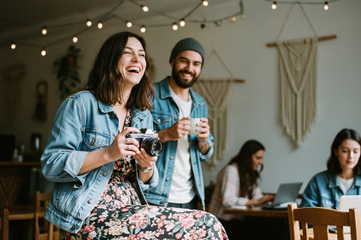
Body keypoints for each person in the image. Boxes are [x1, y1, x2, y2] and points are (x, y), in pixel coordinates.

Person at [41, 31, 228, 239]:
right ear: (111, 60)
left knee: (209, 224)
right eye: (128, 53)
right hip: (90, 213)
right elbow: (51, 164)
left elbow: (148, 179)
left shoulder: (141, 115)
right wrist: (108, 153)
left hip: (133, 209)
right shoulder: (81, 104)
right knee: (206, 225)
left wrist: (147, 165)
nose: (137, 59)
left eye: (141, 55)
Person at [145, 37, 214, 210]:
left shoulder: (200, 103)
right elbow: (132, 142)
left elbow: (205, 153)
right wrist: (166, 134)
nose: (189, 68)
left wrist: (204, 141)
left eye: (196, 64)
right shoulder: (149, 94)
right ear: (172, 61)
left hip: (190, 197)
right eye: (184, 61)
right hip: (154, 195)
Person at [300, 128, 361, 209]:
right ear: (336, 151)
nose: (351, 156)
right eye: (345, 151)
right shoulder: (318, 182)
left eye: (355, 151)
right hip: (328, 227)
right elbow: (305, 218)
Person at [208, 139, 279, 239]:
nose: (260, 162)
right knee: (264, 229)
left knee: (274, 224)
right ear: (247, 157)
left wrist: (268, 200)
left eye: (261, 158)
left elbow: (257, 195)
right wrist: (256, 201)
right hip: (221, 221)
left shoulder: (249, 173)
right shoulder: (231, 171)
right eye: (258, 158)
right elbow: (227, 201)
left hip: (237, 219)